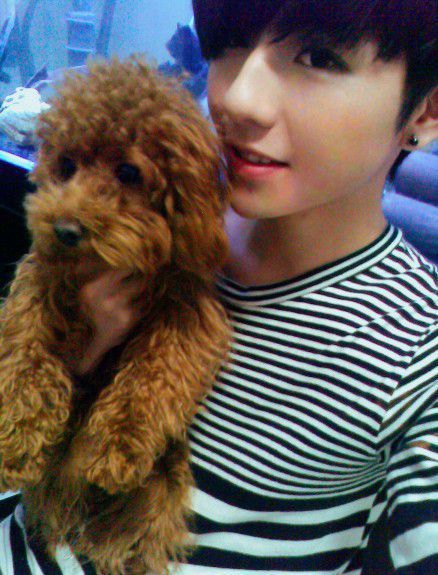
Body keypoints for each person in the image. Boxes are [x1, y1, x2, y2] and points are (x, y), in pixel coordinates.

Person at [1, 0, 437, 573]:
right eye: (230, 45)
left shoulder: (417, 351)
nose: (237, 99)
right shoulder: (148, 220)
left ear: (426, 111)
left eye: (318, 57)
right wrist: (75, 354)